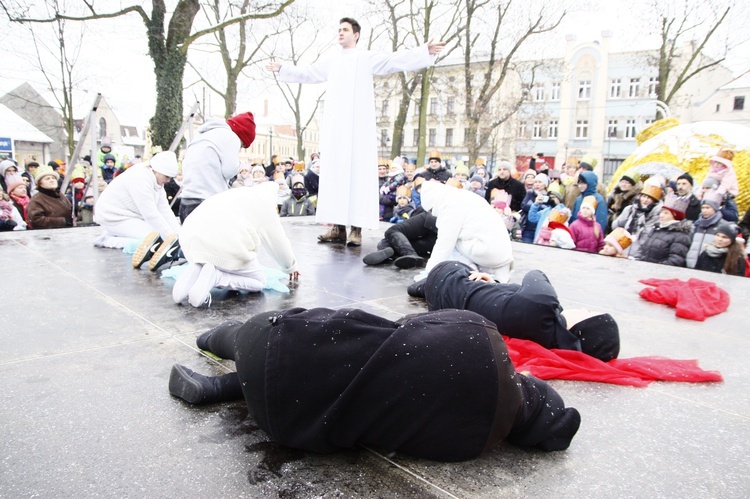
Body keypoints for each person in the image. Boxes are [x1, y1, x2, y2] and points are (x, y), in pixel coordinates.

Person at [168, 307, 581, 461]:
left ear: (531, 387)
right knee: (356, 387)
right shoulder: (471, 446)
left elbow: (403, 325)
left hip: (281, 346)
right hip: (291, 423)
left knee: (265, 339)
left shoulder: (480, 333)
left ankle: (218, 340)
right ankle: (220, 389)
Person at [267, 18, 445, 246]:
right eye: (338, 29)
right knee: (335, 175)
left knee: (358, 175)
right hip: (336, 128)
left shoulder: (365, 58)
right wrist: (284, 69)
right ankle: (338, 227)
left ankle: (356, 230)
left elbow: (394, 60)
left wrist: (424, 52)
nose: (340, 33)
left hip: (359, 127)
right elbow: (309, 73)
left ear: (356, 34)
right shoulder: (332, 61)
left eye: (345, 30)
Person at [408, 260, 620, 362]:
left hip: (448, 277)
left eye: (589, 312)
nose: (584, 307)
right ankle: (421, 286)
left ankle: (422, 282)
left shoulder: (543, 304)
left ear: (582, 327)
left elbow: (535, 274)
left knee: (463, 265)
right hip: (445, 305)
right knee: (491, 283)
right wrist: (495, 284)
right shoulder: (547, 336)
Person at [172, 182, 299, 308]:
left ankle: (197, 268)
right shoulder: (265, 203)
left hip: (190, 239)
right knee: (259, 282)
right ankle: (217, 276)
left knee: (209, 258)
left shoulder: (236, 194)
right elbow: (277, 241)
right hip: (225, 243)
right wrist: (290, 267)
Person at [93, 152, 181, 271]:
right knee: (150, 239)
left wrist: (179, 236)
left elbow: (164, 210)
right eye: (167, 176)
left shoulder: (156, 179)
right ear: (157, 170)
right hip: (113, 216)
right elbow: (151, 214)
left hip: (130, 216)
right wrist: (172, 241)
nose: (168, 180)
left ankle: (116, 234)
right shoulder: (139, 178)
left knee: (155, 236)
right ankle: (108, 240)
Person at [420, 181, 514, 282]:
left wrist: (430, 273)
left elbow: (444, 244)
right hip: (500, 255)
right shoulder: (463, 196)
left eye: (431, 210)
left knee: (453, 244)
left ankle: (469, 273)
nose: (433, 213)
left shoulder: (450, 204)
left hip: (487, 252)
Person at [179, 112, 257, 222]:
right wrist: (238, 164)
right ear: (242, 136)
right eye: (243, 145)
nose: (240, 148)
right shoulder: (231, 137)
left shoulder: (205, 133)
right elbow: (229, 171)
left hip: (187, 199)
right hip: (207, 201)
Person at [363, 209, 436, 268]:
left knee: (392, 232)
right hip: (439, 234)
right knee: (399, 242)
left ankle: (410, 254)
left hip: (433, 216)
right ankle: (389, 249)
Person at [634, 194, 693, 267]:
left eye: (666, 213)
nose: (661, 215)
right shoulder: (656, 228)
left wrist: (657, 268)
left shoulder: (681, 235)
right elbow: (643, 248)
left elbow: (676, 259)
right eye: (661, 212)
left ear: (675, 216)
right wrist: (637, 259)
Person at [611, 183, 663, 258]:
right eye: (644, 196)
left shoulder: (656, 215)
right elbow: (614, 227)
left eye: (649, 198)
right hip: (622, 251)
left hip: (639, 254)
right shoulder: (630, 209)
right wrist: (622, 223)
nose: (645, 200)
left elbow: (647, 236)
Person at [686, 189, 726, 268]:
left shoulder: (722, 225)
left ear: (715, 208)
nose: (704, 210)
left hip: (709, 267)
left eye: (708, 208)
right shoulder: (697, 224)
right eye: (703, 207)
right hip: (690, 265)